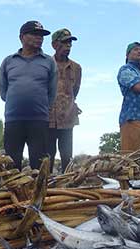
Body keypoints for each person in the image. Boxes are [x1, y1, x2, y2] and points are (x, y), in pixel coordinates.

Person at [0, 21, 58, 171]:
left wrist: (40, 106)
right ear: (22, 37)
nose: (40, 38)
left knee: (39, 167)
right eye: (35, 34)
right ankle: (12, 195)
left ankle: (39, 194)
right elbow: (4, 92)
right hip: (13, 120)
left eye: (41, 35)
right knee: (11, 166)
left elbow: (52, 92)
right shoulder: (8, 61)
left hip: (39, 121)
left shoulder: (49, 62)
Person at [47, 28, 81, 173]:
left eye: (70, 43)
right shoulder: (46, 64)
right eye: (65, 43)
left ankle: (67, 185)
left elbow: (75, 91)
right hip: (47, 118)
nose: (68, 46)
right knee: (48, 154)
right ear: (55, 44)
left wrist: (68, 105)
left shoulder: (76, 68)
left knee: (67, 154)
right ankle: (46, 185)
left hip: (67, 117)